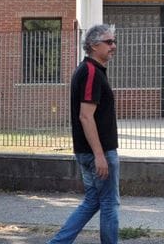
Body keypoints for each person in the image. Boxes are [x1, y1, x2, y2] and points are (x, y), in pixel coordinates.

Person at [48, 24, 120, 244]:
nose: (113, 46)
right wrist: (100, 155)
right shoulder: (90, 72)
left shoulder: (91, 71)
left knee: (93, 201)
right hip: (98, 153)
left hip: (91, 151)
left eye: (113, 41)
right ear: (93, 45)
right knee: (109, 203)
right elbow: (85, 116)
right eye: (108, 42)